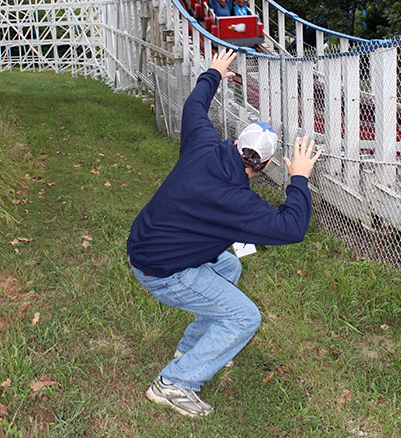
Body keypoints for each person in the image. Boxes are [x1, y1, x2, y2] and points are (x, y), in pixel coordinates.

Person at [127, 50, 322, 418]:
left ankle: (190, 350)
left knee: (229, 270)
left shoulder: (202, 142)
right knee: (244, 317)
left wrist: (213, 71)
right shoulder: (238, 203)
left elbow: (195, 103)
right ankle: (175, 382)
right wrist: (299, 177)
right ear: (265, 165)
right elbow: (292, 228)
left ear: (234, 141)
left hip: (146, 243)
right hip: (163, 270)